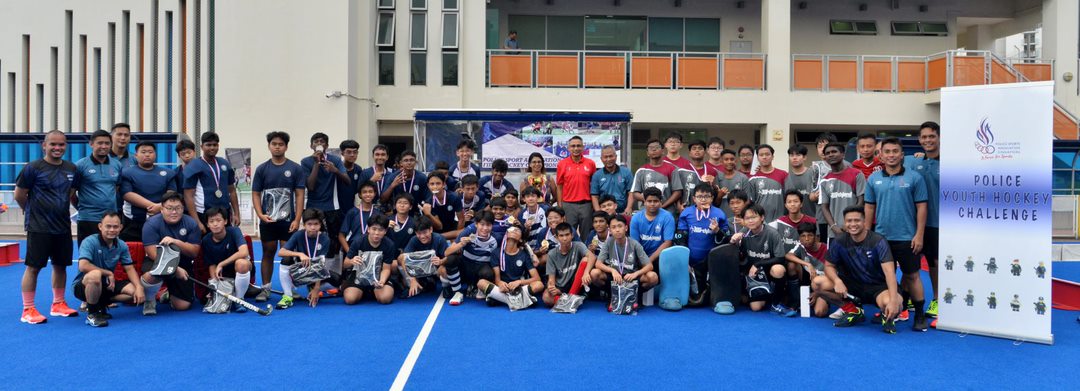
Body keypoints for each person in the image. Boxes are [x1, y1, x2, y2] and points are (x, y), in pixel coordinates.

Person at [865, 137, 929, 331]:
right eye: (887, 152)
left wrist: (919, 235)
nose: (891, 155)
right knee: (886, 277)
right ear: (881, 155)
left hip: (907, 237)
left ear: (902, 155)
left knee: (912, 276)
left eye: (895, 151)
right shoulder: (873, 179)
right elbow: (869, 207)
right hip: (881, 238)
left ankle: (919, 315)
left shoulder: (915, 178)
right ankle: (891, 310)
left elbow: (922, 208)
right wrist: (868, 235)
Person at [16, 130, 80, 324]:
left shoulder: (71, 168)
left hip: (62, 227)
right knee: (33, 268)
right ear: (44, 145)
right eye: (53, 144)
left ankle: (58, 304)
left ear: (66, 146)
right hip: (38, 227)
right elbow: (19, 195)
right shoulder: (32, 168)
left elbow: (71, 195)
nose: (57, 148)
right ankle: (28, 309)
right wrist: (30, 212)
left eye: (61, 144)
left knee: (61, 266)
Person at [814, 206, 902, 334]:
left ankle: (886, 315)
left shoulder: (878, 241)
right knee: (817, 283)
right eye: (849, 221)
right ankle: (853, 311)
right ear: (845, 222)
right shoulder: (839, 241)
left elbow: (890, 273)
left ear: (864, 221)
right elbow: (828, 266)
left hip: (878, 287)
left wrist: (893, 301)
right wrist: (837, 280)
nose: (853, 224)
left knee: (893, 303)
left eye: (857, 220)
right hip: (852, 286)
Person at [250, 131, 306, 302]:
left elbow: (299, 195)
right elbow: (256, 194)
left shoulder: (295, 168)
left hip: (288, 221)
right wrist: (260, 214)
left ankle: (289, 289)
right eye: (274, 144)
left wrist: (297, 219)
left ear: (286, 147)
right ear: (269, 146)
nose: (277, 147)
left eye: (280, 144)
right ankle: (265, 288)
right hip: (268, 220)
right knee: (268, 252)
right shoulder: (262, 169)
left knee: (288, 254)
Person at [712, 204, 789, 314]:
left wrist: (758, 264)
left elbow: (781, 258)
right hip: (754, 275)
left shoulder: (772, 233)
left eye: (754, 217)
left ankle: (776, 303)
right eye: (747, 218)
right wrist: (732, 241)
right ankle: (766, 294)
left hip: (768, 271)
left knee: (778, 269)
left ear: (762, 217)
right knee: (755, 307)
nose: (751, 221)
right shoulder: (744, 232)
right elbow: (729, 246)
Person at [73, 212, 144, 327]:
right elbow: (83, 266)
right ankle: (92, 314)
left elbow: (129, 268)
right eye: (108, 226)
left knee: (134, 292)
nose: (112, 230)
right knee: (95, 275)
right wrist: (108, 273)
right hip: (83, 285)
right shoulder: (89, 241)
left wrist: (139, 287)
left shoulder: (121, 245)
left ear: (120, 228)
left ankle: (101, 304)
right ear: (100, 226)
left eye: (115, 227)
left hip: (106, 284)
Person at [140, 191, 202, 315]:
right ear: (162, 209)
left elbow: (194, 252)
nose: (174, 212)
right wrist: (175, 269)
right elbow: (152, 253)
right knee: (151, 276)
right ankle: (150, 300)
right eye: (169, 208)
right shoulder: (151, 224)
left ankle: (169, 293)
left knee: (182, 306)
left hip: (183, 262)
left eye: (178, 208)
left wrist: (176, 242)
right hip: (157, 261)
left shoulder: (191, 223)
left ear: (183, 209)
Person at [905, 121, 941, 320]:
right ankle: (910, 297)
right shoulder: (912, 161)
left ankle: (937, 299)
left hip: (938, 223)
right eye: (924, 137)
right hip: (915, 223)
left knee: (935, 262)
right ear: (919, 139)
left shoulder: (950, 163)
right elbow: (885, 156)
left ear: (939, 138)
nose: (927, 140)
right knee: (912, 260)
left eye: (932, 136)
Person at [301, 133, 351, 260]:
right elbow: (310, 186)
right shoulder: (306, 161)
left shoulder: (335, 160)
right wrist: (317, 163)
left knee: (332, 243)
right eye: (316, 142)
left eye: (322, 141)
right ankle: (312, 272)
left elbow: (347, 181)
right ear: (311, 145)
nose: (319, 144)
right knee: (313, 240)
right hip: (312, 208)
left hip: (332, 207)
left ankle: (330, 275)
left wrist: (335, 170)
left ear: (327, 145)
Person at [676, 185, 728, 305]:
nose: (703, 200)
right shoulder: (686, 213)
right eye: (700, 196)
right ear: (694, 198)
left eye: (706, 197)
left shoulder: (720, 214)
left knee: (708, 295)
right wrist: (685, 260)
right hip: (691, 260)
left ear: (712, 198)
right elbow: (680, 238)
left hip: (711, 261)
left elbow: (727, 240)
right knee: (694, 294)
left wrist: (717, 231)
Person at [120, 141, 178, 242]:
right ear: (136, 155)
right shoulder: (127, 173)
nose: (147, 154)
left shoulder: (168, 173)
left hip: (162, 220)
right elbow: (127, 194)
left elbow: (172, 194)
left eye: (150, 152)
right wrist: (154, 207)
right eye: (143, 152)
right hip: (134, 221)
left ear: (155, 154)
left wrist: (160, 207)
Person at [74, 130, 122, 246]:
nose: (104, 146)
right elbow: (71, 193)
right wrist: (82, 208)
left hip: (110, 220)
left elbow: (116, 188)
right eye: (99, 143)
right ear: (91, 144)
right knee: (87, 255)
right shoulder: (80, 165)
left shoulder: (116, 165)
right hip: (88, 219)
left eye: (107, 143)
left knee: (110, 254)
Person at [183, 132, 239, 232]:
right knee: (205, 244)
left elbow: (232, 191)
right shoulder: (194, 166)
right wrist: (197, 222)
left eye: (215, 145)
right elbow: (188, 196)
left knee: (225, 244)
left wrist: (237, 214)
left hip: (224, 213)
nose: (212, 148)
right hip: (204, 214)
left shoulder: (224, 163)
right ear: (201, 146)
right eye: (208, 145)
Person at [590, 214, 659, 295]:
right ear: (610, 230)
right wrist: (613, 271)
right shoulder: (608, 242)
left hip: (631, 276)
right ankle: (611, 294)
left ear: (626, 228)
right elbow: (598, 264)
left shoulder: (634, 243)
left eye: (620, 226)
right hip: (614, 276)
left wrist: (635, 274)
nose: (617, 230)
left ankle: (636, 295)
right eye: (614, 227)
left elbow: (649, 266)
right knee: (594, 273)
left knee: (652, 277)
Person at [200, 207, 253, 312]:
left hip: (239, 269)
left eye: (218, 220)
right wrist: (214, 286)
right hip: (223, 275)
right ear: (207, 224)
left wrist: (221, 264)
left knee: (241, 263)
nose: (215, 224)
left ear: (225, 221)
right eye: (211, 221)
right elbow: (211, 265)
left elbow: (244, 252)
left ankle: (239, 299)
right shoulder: (206, 240)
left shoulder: (234, 231)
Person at [276, 208, 331, 309]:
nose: (313, 227)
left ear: (320, 225)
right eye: (309, 224)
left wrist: (316, 288)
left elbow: (322, 264)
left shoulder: (325, 239)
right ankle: (288, 296)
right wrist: (300, 254)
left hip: (317, 272)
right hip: (301, 270)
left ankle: (315, 288)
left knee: (338, 282)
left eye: (316, 224)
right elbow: (281, 252)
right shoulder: (299, 234)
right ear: (304, 225)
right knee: (286, 260)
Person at [442, 210, 500, 305]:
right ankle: (457, 292)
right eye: (482, 224)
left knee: (488, 273)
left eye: (488, 225)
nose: (485, 228)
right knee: (450, 260)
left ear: (492, 226)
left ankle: (478, 288)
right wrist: (461, 244)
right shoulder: (468, 232)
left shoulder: (497, 238)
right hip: (466, 267)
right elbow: (447, 252)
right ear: (476, 224)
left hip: (482, 268)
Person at [477, 225, 544, 306]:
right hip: (502, 288)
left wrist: (519, 282)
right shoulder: (496, 253)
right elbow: (497, 279)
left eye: (517, 230)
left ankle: (501, 299)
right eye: (511, 229)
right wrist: (500, 283)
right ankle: (520, 300)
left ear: (520, 239)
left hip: (518, 288)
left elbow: (537, 278)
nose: (514, 231)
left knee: (539, 285)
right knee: (481, 283)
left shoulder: (524, 255)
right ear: (506, 235)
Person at [343, 213, 398, 304]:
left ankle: (373, 291)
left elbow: (386, 268)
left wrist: (382, 281)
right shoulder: (358, 242)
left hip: (378, 276)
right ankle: (363, 291)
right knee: (350, 299)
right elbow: (345, 264)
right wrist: (352, 261)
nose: (376, 233)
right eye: (374, 229)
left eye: (380, 230)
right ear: (368, 229)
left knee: (385, 298)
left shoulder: (389, 245)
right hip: (359, 276)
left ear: (385, 231)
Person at [819, 142, 865, 241]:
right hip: (834, 234)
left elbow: (861, 201)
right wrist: (834, 227)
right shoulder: (824, 180)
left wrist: (850, 223)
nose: (830, 155)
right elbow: (824, 207)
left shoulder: (857, 174)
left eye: (834, 151)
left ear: (843, 154)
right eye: (827, 153)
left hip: (855, 231)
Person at [542, 223, 595, 307]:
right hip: (560, 287)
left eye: (567, 235)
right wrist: (552, 287)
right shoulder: (551, 254)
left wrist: (586, 273)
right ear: (556, 237)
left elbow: (592, 257)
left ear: (572, 235)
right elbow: (551, 278)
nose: (565, 238)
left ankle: (570, 298)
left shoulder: (578, 245)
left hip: (575, 283)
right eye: (561, 236)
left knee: (586, 259)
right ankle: (570, 301)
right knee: (546, 297)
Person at [785, 222, 831, 317]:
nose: (806, 239)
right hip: (807, 281)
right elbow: (788, 255)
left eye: (810, 235)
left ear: (816, 236)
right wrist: (807, 264)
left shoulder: (827, 249)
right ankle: (796, 300)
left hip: (822, 285)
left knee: (819, 312)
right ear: (799, 237)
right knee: (791, 265)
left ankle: (819, 299)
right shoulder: (800, 246)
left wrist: (817, 293)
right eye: (803, 236)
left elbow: (832, 275)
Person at [556, 136, 597, 238]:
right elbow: (559, 186)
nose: (576, 148)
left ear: (583, 147)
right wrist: (560, 206)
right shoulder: (562, 164)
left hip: (586, 205)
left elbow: (594, 185)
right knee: (569, 234)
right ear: (568, 148)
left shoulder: (590, 163)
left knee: (587, 235)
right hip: (568, 205)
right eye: (573, 146)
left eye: (578, 146)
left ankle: (586, 254)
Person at [400, 216, 449, 298]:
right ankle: (415, 284)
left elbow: (449, 258)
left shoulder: (439, 239)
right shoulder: (414, 240)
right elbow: (404, 258)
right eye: (419, 233)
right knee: (401, 258)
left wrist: (441, 261)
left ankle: (446, 287)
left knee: (444, 269)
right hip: (420, 270)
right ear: (415, 233)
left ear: (431, 229)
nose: (422, 236)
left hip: (436, 269)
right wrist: (412, 279)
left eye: (425, 232)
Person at [631, 139, 681, 215]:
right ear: (647, 153)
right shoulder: (641, 171)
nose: (654, 149)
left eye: (657, 147)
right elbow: (635, 193)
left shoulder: (672, 169)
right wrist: (651, 201)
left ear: (663, 151)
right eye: (651, 148)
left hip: (667, 212)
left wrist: (662, 206)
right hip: (646, 213)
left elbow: (677, 192)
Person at [629, 188, 675, 269]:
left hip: (661, 257)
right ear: (644, 202)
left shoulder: (668, 217)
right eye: (649, 201)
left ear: (660, 202)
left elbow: (668, 242)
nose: (652, 204)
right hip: (641, 257)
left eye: (656, 201)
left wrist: (650, 260)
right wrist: (643, 261)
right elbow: (635, 243)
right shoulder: (636, 218)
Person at [673, 140, 721, 214]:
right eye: (694, 148)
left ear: (705, 153)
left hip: (707, 210)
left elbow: (717, 193)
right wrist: (679, 205)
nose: (697, 150)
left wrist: (713, 185)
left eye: (700, 148)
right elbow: (678, 191)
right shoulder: (681, 170)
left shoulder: (712, 171)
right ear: (689, 153)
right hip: (686, 209)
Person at [747, 144, 788, 222]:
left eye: (767, 154)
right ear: (757, 158)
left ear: (773, 157)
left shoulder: (783, 174)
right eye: (761, 155)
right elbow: (750, 203)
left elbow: (788, 197)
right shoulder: (752, 178)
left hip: (780, 220)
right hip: (760, 222)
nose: (764, 157)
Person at [590, 145, 634, 216]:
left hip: (623, 212)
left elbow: (631, 193)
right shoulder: (597, 175)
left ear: (616, 157)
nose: (608, 159)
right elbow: (594, 196)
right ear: (601, 159)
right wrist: (599, 213)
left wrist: (629, 207)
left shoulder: (626, 172)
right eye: (605, 157)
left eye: (611, 156)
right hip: (605, 213)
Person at [425, 173, 464, 237]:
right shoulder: (428, 202)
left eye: (438, 183)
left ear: (444, 184)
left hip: (453, 229)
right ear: (428, 185)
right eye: (432, 184)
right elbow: (439, 226)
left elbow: (461, 220)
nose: (435, 187)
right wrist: (428, 214)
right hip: (437, 233)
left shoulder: (454, 197)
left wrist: (457, 237)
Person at [783, 144, 816, 219]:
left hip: (812, 219)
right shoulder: (785, 176)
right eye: (791, 155)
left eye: (798, 155)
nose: (794, 158)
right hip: (792, 220)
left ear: (804, 157)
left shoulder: (813, 174)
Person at [716, 149, 750, 219]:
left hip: (739, 218)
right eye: (726, 159)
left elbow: (747, 201)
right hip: (721, 217)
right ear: (721, 162)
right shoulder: (717, 177)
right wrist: (719, 196)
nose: (729, 162)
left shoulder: (743, 178)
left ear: (736, 161)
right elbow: (714, 204)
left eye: (732, 159)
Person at [338, 139, 364, 213]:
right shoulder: (337, 168)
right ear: (342, 153)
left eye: (355, 152)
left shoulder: (358, 169)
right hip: (336, 209)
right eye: (349, 152)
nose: (352, 155)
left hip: (350, 206)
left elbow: (358, 189)